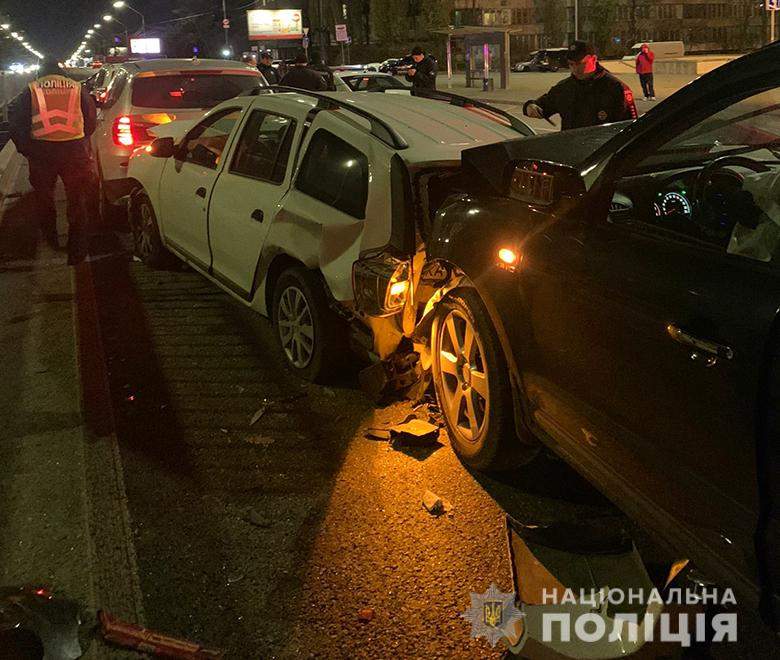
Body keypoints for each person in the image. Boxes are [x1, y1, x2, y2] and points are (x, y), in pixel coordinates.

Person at [8, 57, 96, 265]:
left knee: (44, 199)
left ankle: (52, 239)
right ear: (61, 72)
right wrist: (81, 139)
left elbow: (16, 123)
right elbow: (90, 119)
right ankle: (77, 250)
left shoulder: (31, 89)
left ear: (40, 73)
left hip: (41, 153)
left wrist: (26, 149)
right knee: (77, 199)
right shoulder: (76, 88)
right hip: (73, 151)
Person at [523, 41, 637, 131]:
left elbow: (630, 127)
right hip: (571, 152)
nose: (575, 69)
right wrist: (530, 106)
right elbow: (542, 106)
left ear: (593, 59)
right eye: (571, 64)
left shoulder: (615, 88)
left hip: (603, 153)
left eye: (580, 64)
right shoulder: (564, 88)